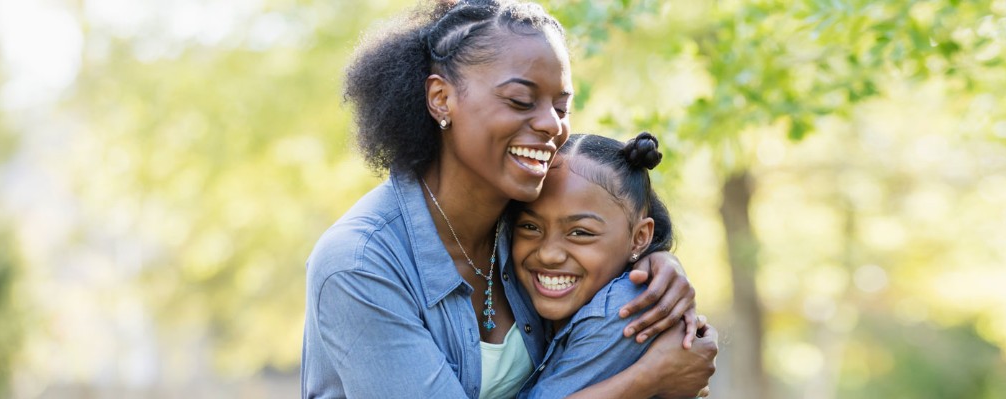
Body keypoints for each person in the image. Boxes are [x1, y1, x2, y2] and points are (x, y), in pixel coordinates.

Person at [301, 1, 717, 398]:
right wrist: (650, 378)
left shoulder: (523, 225)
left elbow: (608, 209)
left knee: (628, 300)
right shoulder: (358, 264)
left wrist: (654, 259)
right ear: (441, 98)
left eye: (561, 106)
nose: (551, 125)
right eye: (521, 100)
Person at [507, 133, 698, 398]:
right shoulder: (509, 284)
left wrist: (653, 376)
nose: (549, 254)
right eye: (530, 227)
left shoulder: (628, 305)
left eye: (581, 232)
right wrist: (652, 376)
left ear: (640, 238)